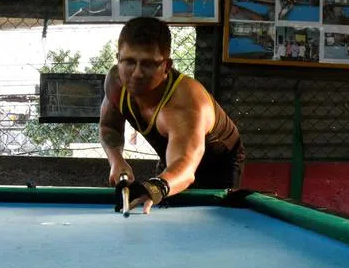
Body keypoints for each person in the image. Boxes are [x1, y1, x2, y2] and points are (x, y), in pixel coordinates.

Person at [99, 17, 245, 214]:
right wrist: (117, 161)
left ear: (166, 66)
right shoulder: (116, 83)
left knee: (206, 220)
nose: (137, 73)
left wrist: (156, 186)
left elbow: (185, 166)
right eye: (130, 62)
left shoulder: (185, 103)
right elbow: (109, 127)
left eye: (148, 64)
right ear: (118, 59)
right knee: (163, 210)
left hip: (218, 162)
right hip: (173, 153)